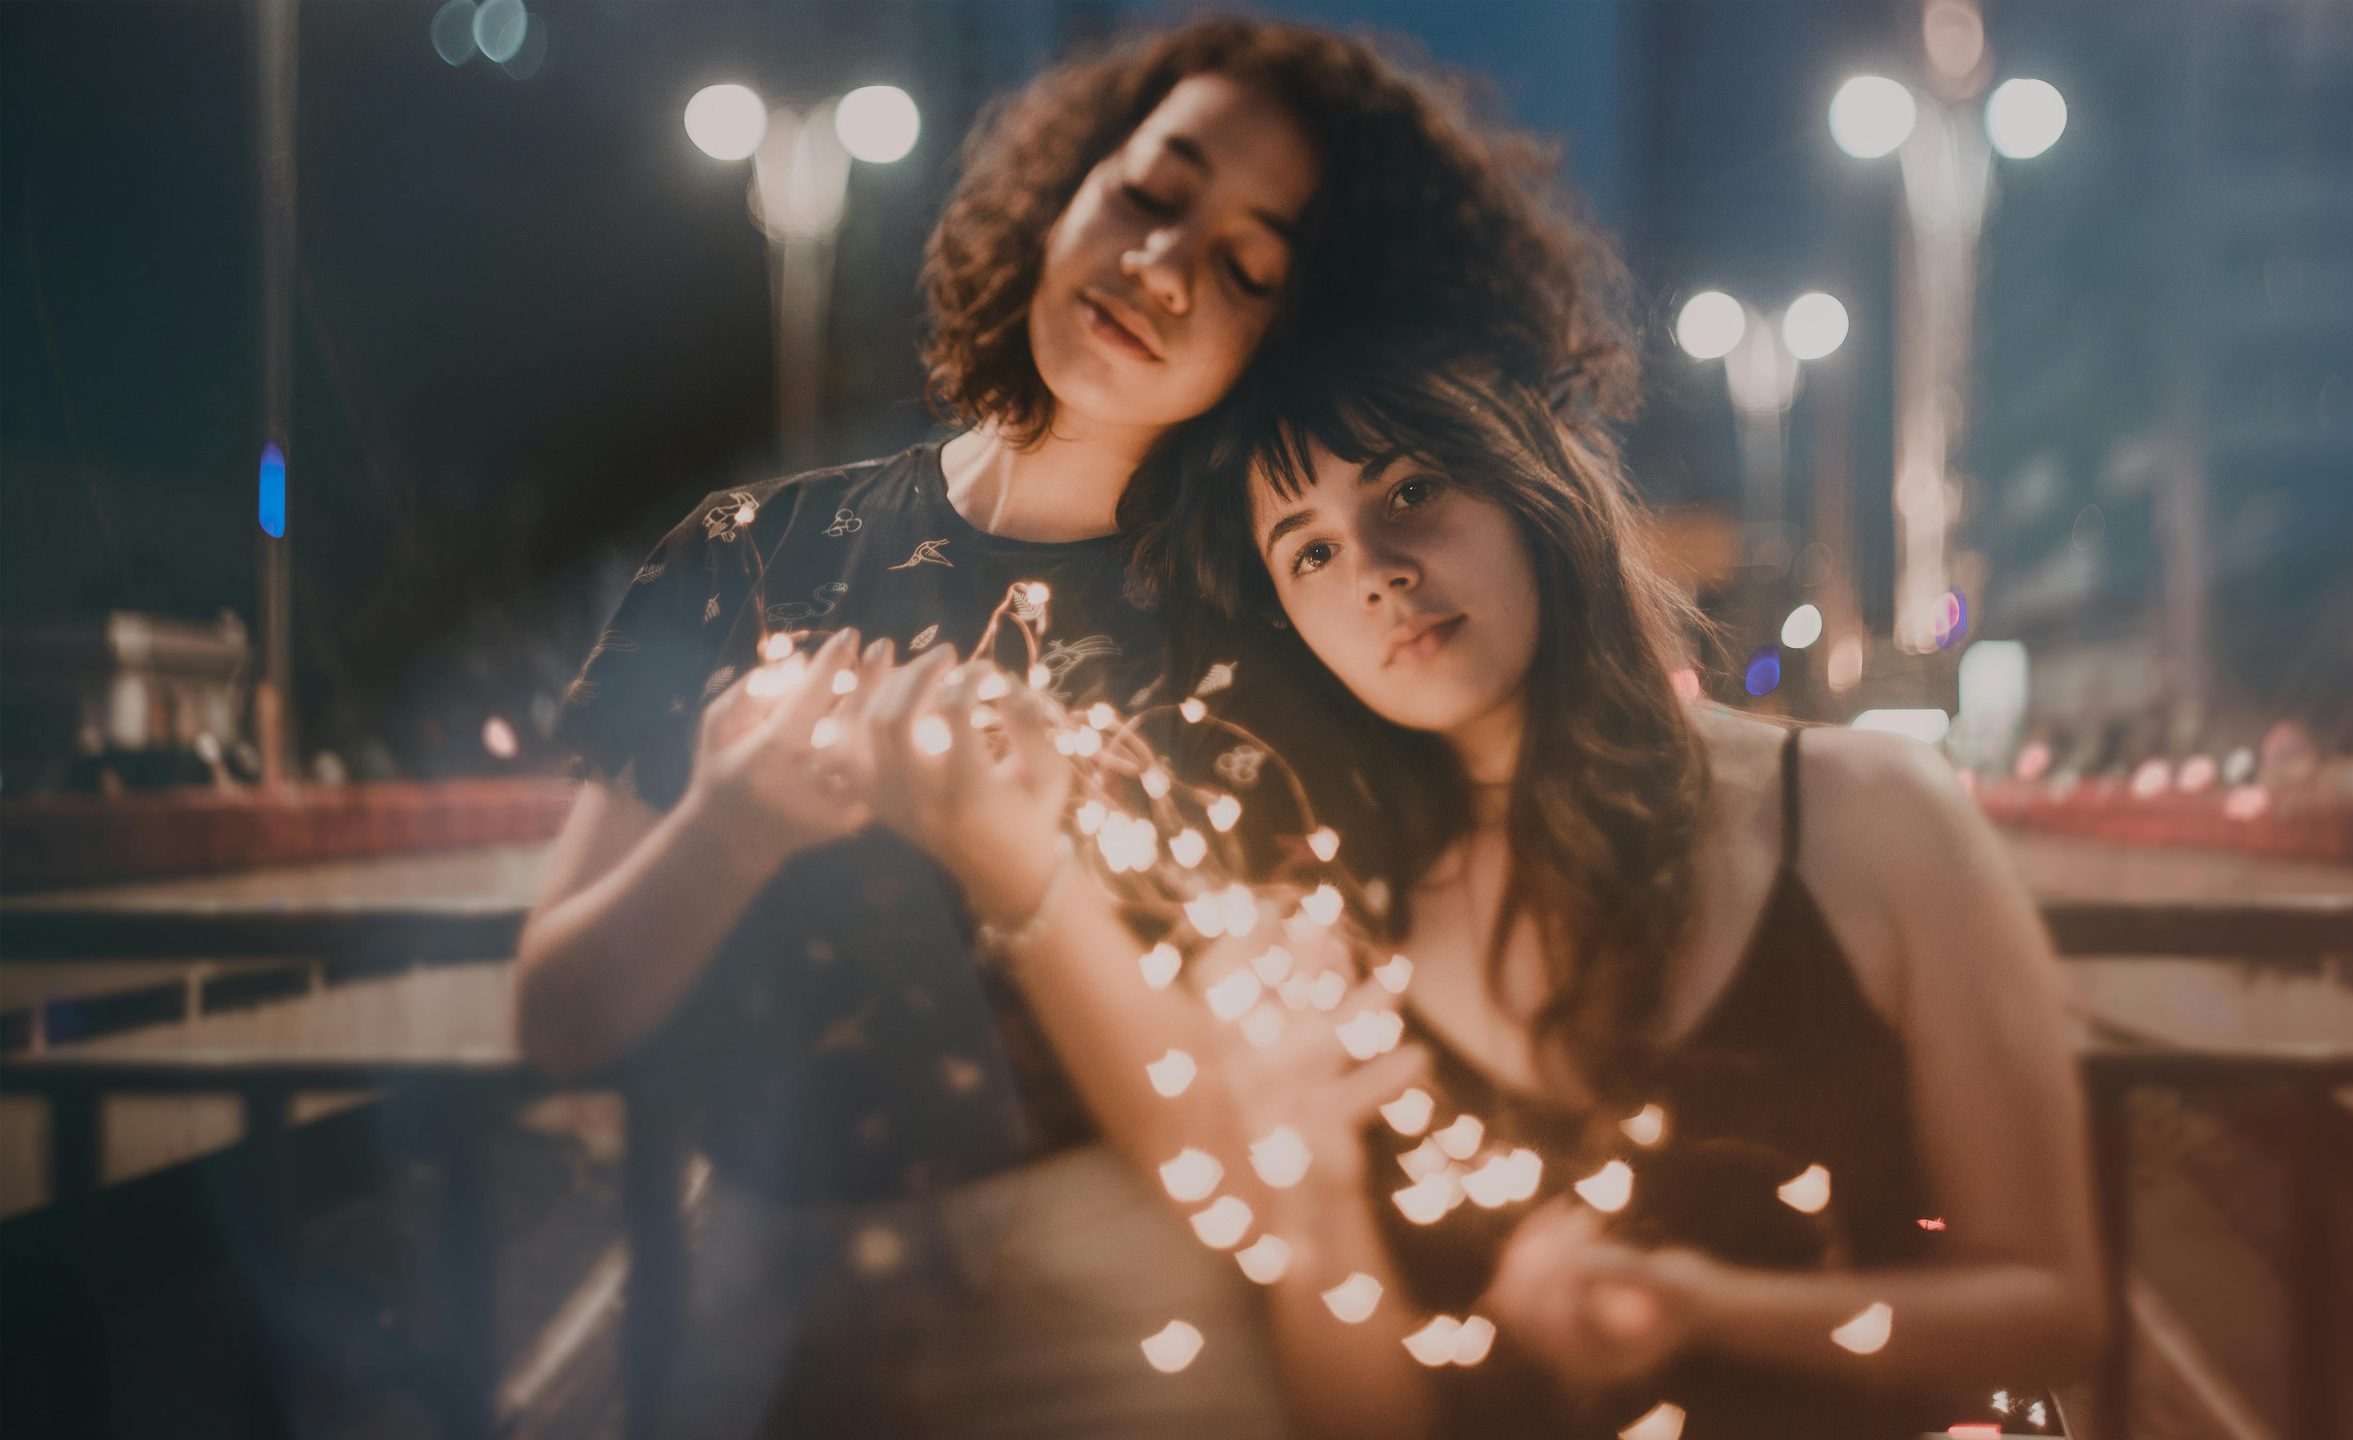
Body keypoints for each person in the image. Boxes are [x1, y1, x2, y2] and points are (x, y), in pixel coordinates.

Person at [517, 16, 1626, 1436]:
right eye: (1151, 197)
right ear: (1067, 189)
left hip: (1117, 1320)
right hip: (754, 1306)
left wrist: (1023, 878)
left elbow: (1241, 1162)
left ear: (1296, 336)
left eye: (1245, 268)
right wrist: (728, 833)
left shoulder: (1288, 633)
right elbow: (560, 1017)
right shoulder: (753, 552)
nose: (1159, 270)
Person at [852, 357, 2105, 1438]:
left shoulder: (1868, 816)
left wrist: (1701, 1308)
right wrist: (1322, 1202)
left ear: (1535, 493)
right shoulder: (1335, 930)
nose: (1378, 572)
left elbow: (2055, 1315)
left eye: (1410, 492)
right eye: (1311, 549)